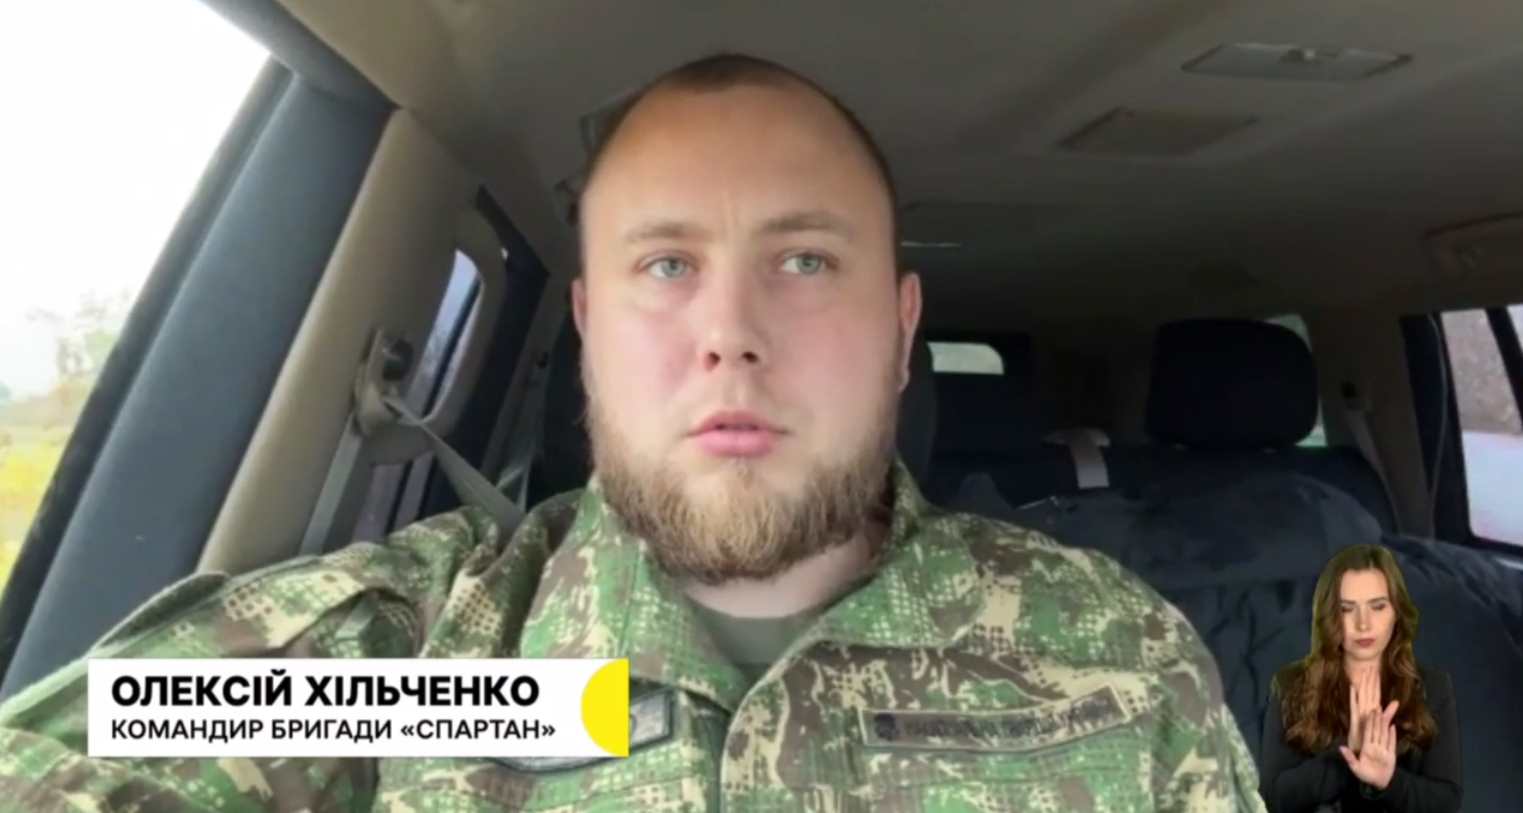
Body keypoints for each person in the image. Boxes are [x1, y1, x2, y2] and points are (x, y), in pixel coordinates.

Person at [0, 53, 1265, 811]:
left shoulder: (1119, 654)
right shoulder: (411, 661)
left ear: (898, 331)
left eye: (804, 260)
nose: (729, 333)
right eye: (666, 266)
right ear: (591, 331)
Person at [1259, 544, 1461, 812]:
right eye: (1346, 609)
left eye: (1377, 606)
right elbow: (1273, 798)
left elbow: (1446, 802)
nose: (1363, 624)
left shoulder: (1432, 687)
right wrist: (1348, 752)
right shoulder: (1288, 684)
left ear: (1397, 612)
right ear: (1330, 616)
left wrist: (1388, 781)